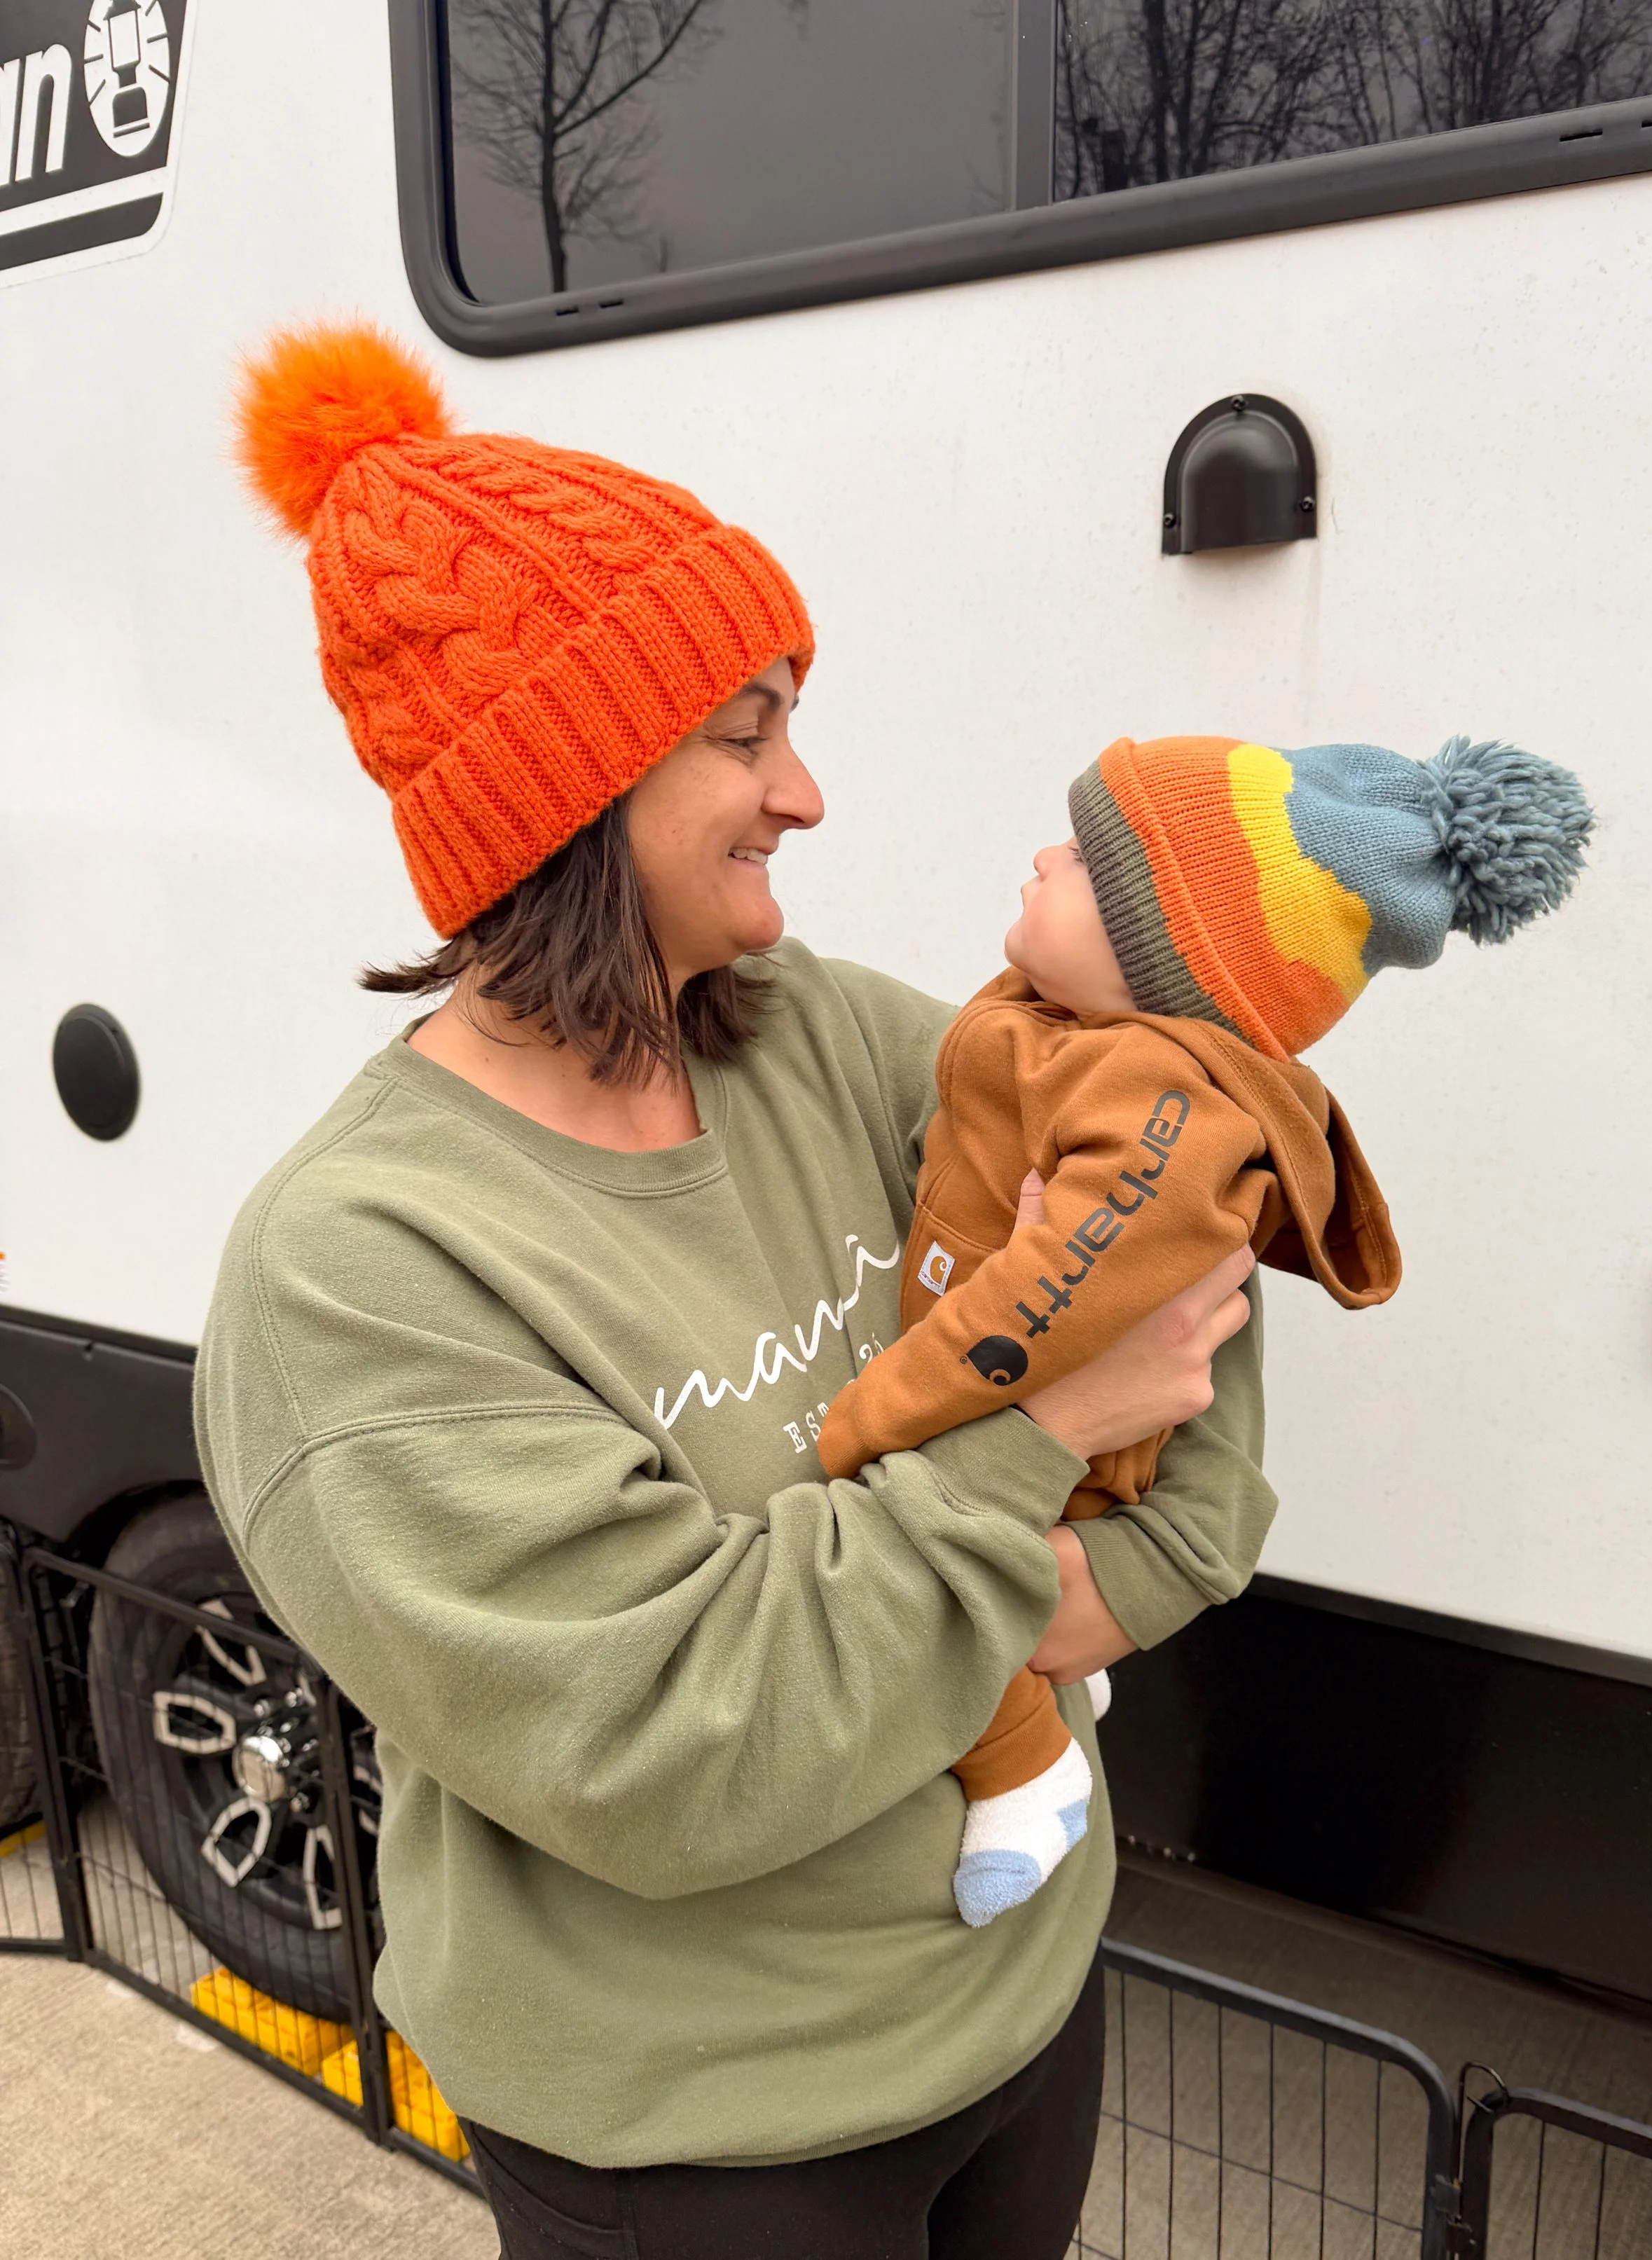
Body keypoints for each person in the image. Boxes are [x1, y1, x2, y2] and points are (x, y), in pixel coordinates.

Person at [194, 323, 1271, 2260]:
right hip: (706, 2144)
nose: (806, 792)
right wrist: (1033, 1440)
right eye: (745, 731)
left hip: (1020, 1995)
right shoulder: (359, 1268)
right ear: (575, 783)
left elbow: (1184, 1175)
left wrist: (1135, 1571)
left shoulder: (823, 1035)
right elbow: (678, 1742)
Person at [817, 731, 1592, 1929]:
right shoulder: (1060, 1028)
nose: (1043, 857)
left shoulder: (1158, 1107)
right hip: (992, 1387)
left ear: (1164, 955)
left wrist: (875, 1416)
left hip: (1018, 1421)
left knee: (939, 1593)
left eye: (1084, 859)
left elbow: (1054, 1301)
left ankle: (1027, 1771)